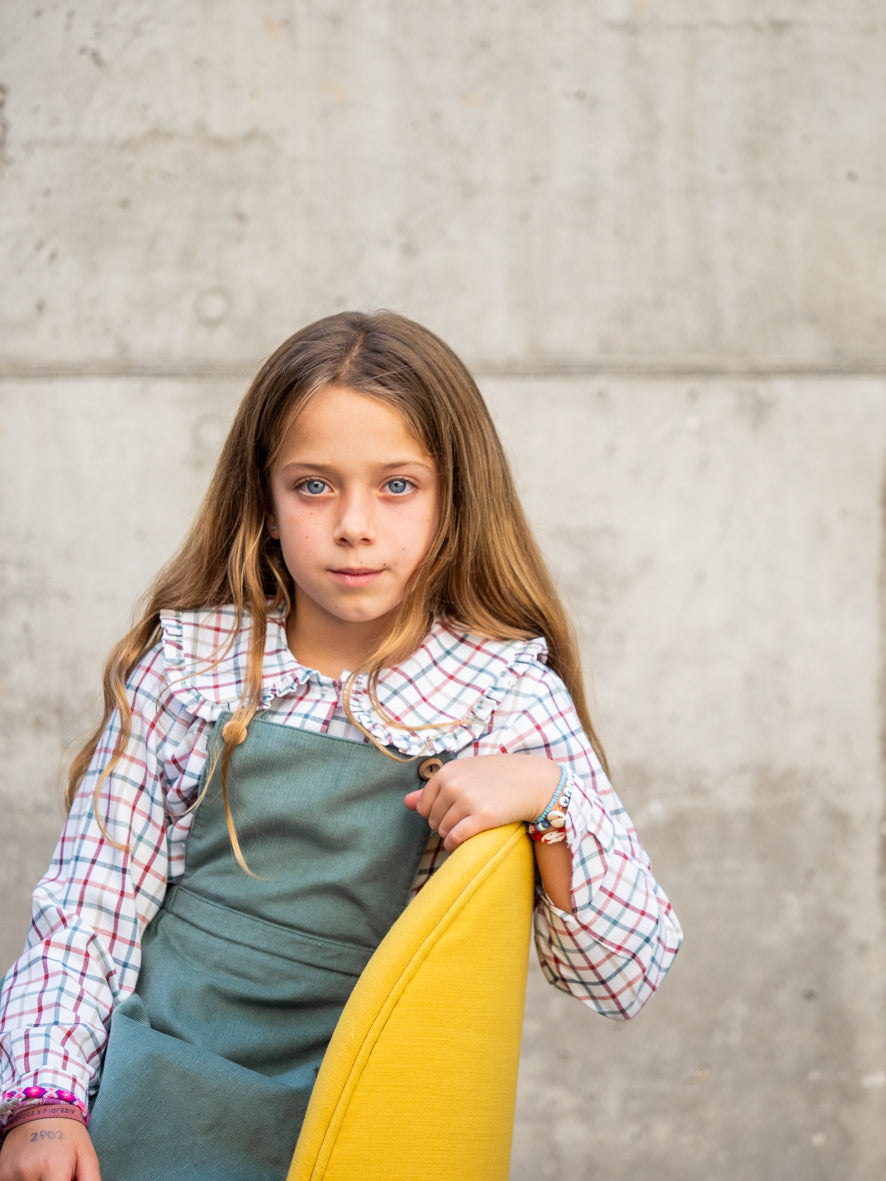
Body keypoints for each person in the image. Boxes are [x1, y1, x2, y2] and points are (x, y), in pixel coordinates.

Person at [0, 310, 682, 1180]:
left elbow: (623, 975)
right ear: (267, 500)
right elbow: (85, 914)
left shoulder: (503, 698)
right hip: (152, 1103)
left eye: (398, 485)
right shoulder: (189, 673)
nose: (354, 524)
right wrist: (45, 1105)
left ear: (453, 498)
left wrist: (550, 796)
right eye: (314, 485)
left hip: (370, 1116)